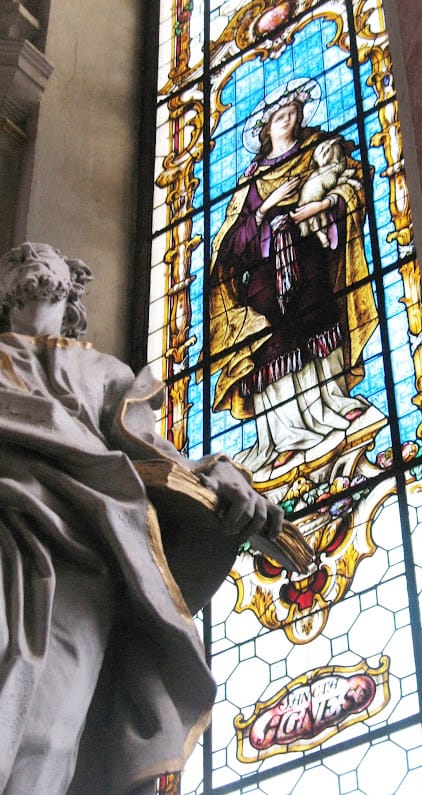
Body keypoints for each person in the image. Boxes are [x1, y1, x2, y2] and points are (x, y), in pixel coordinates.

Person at [0, 242, 283, 795]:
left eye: (46, 254)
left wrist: (221, 475)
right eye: (15, 257)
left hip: (79, 553)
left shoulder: (105, 374)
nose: (30, 254)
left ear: (72, 285)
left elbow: (151, 455)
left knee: (46, 729)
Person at [208, 78, 378, 472]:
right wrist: (265, 208)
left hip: (310, 254)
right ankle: (281, 435)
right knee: (272, 338)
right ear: (265, 128)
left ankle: (332, 404)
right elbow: (232, 247)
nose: (289, 119)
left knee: (319, 315)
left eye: (293, 112)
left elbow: (353, 186)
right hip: (268, 270)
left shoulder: (320, 151)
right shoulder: (251, 180)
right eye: (280, 115)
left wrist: (322, 205)